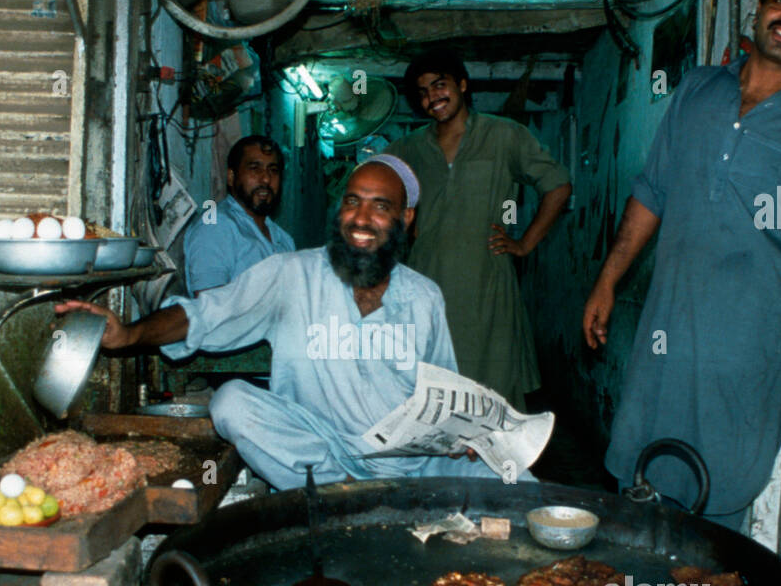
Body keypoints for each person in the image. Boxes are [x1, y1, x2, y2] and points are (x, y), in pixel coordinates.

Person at [581, 0, 781, 531]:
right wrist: (607, 280)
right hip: (667, 328)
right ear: (760, 8)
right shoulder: (696, 91)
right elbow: (651, 193)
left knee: (720, 494)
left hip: (750, 344)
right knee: (637, 473)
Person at [58, 155, 531, 490]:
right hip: (324, 456)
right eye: (352, 201)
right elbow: (204, 313)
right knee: (232, 404)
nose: (361, 217)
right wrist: (129, 334)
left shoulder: (425, 296)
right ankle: (342, 495)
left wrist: (467, 436)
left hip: (412, 464)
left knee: (519, 481)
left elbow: (444, 390)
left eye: (380, 206)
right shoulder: (291, 275)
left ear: (405, 219)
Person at [387, 48, 572, 410]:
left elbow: (558, 185)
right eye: (423, 92)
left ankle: (495, 466)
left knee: (492, 394)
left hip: (487, 287)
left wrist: (524, 243)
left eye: (440, 86)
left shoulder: (504, 136)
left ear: (462, 84)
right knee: (430, 394)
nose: (432, 98)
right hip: (426, 286)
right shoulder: (407, 149)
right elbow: (374, 195)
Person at [180, 135, 295, 295]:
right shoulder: (214, 227)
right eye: (255, 168)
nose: (266, 178)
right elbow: (210, 308)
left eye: (273, 170)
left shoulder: (283, 240)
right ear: (231, 177)